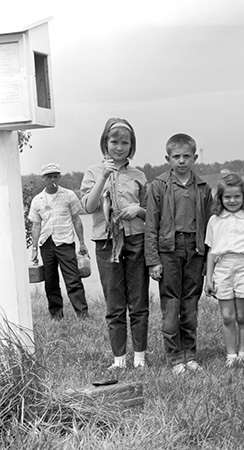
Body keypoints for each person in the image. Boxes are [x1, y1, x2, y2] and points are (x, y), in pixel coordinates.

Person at [81, 118, 149, 370]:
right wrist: (103, 177)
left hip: (135, 240)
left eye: (125, 142)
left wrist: (138, 210)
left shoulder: (138, 175)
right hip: (106, 242)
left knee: (139, 301)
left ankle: (140, 357)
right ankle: (119, 359)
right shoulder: (92, 172)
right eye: (114, 141)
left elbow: (149, 213)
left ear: (131, 146)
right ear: (105, 143)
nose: (119, 147)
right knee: (114, 302)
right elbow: (88, 207)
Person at [145, 133, 213, 375]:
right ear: (168, 158)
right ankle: (175, 356)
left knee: (191, 302)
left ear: (194, 158)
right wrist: (153, 260)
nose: (182, 160)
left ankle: (190, 354)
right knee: (171, 303)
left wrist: (207, 259)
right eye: (176, 156)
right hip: (169, 250)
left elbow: (210, 226)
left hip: (195, 249)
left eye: (186, 156)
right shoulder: (159, 186)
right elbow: (151, 225)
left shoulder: (203, 188)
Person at [204, 173, 244, 368]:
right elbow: (211, 251)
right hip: (222, 268)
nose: (232, 200)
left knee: (242, 315)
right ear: (220, 198)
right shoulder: (214, 220)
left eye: (237, 196)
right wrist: (208, 279)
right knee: (228, 316)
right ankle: (231, 354)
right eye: (227, 197)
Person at [28, 163, 89, 320]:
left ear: (59, 177)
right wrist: (34, 249)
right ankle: (56, 315)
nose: (52, 179)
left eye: (55, 176)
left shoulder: (69, 195)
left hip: (65, 242)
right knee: (50, 281)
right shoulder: (37, 200)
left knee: (73, 279)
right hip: (46, 244)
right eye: (49, 177)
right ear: (43, 179)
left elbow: (77, 219)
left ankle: (82, 314)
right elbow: (36, 225)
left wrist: (82, 242)